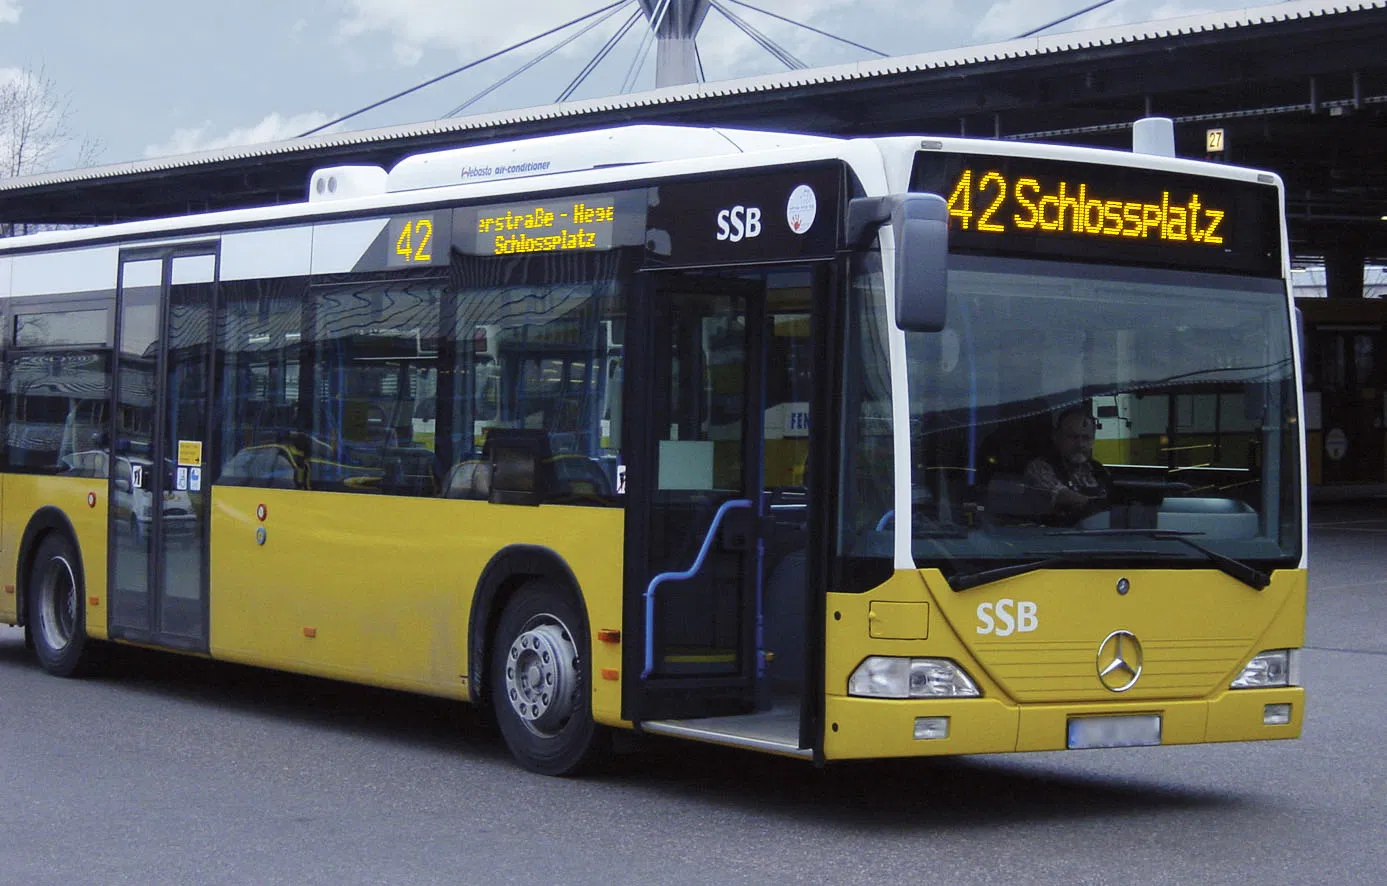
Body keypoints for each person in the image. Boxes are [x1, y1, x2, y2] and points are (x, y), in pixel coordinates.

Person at [1023, 406, 1110, 521]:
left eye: (1086, 438)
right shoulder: (1040, 468)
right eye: (1073, 437)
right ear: (1056, 437)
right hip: (1054, 534)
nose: (1080, 444)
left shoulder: (1097, 470)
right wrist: (1100, 505)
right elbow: (1063, 496)